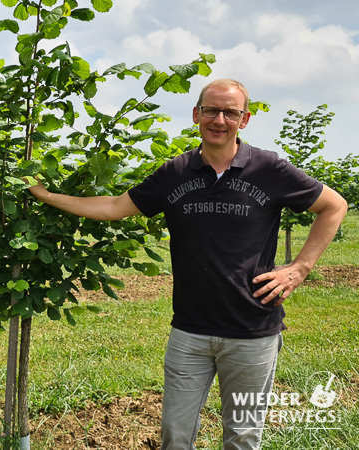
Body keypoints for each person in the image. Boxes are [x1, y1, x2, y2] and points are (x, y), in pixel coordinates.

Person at [29, 79, 347, 449]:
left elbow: (334, 206)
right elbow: (115, 207)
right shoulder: (175, 173)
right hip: (189, 334)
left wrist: (299, 268)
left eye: (231, 112)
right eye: (211, 110)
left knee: (243, 438)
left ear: (244, 120)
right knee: (175, 436)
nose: (220, 119)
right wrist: (45, 194)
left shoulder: (268, 169)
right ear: (197, 114)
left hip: (252, 331)